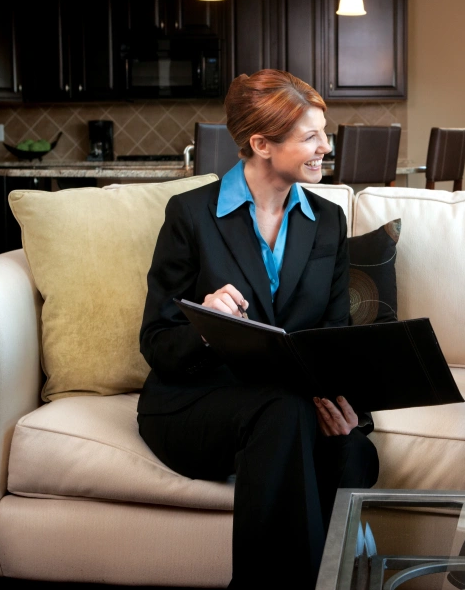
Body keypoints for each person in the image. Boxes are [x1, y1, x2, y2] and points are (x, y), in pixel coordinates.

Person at [136, 69, 379, 589]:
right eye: (310, 136)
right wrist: (207, 324)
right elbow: (156, 344)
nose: (325, 148)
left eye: (324, 132)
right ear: (262, 144)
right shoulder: (191, 215)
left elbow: (333, 333)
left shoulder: (328, 221)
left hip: (286, 404)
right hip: (196, 401)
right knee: (285, 413)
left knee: (353, 448)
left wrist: (343, 403)